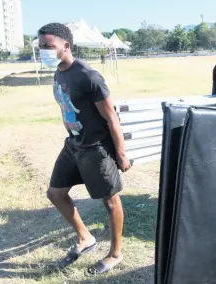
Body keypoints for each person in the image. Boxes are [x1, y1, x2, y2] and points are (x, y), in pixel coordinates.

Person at [37, 23, 131, 276]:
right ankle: (85, 238)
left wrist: (121, 153)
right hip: (74, 145)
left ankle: (115, 254)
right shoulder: (58, 72)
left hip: (96, 148)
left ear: (66, 46)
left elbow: (111, 117)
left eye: (49, 46)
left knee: (110, 201)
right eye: (41, 47)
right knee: (55, 193)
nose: (43, 51)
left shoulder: (88, 76)